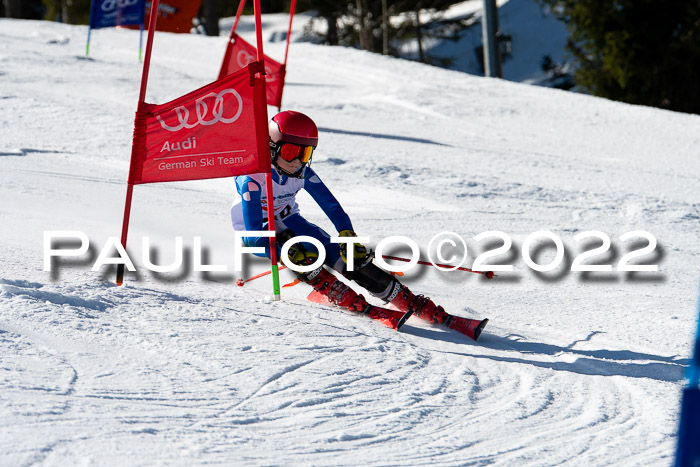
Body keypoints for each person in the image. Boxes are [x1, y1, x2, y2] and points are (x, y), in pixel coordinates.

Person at [231, 110, 487, 340]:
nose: (298, 161)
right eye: (291, 152)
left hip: (289, 219)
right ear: (272, 148)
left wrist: (347, 236)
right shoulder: (252, 179)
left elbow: (331, 206)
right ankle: (340, 294)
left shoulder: (301, 173)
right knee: (297, 251)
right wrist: (285, 248)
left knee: (345, 256)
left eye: (305, 153)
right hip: (258, 233)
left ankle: (405, 299)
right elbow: (254, 231)